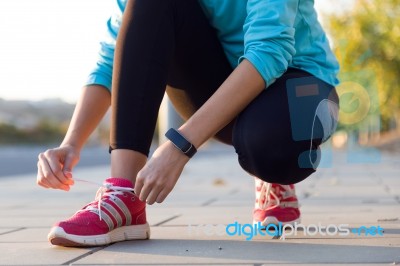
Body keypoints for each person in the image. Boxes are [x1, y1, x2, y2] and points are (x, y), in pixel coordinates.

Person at [37, 0, 339, 247]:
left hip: (299, 85)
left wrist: (181, 145)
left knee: (270, 147)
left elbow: (269, 52)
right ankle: (123, 196)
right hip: (221, 84)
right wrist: (71, 143)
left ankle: (273, 177)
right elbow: (111, 60)